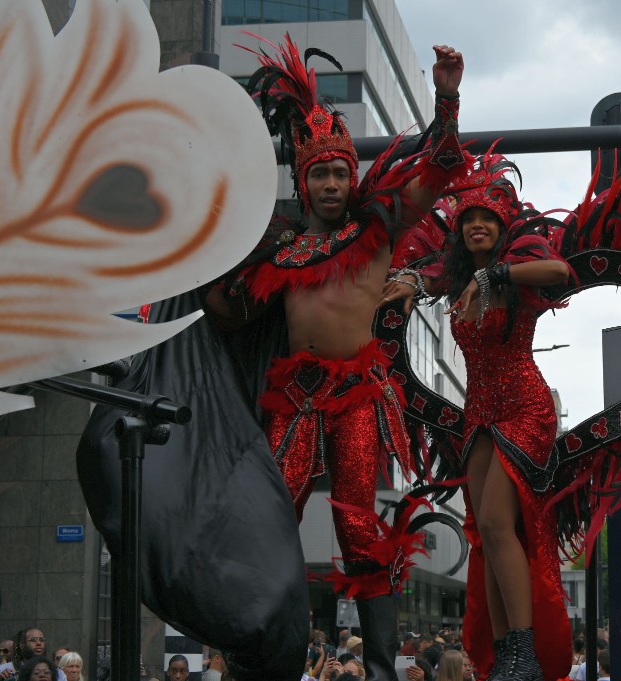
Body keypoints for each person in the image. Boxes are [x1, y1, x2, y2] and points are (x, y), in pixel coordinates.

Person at [204, 34, 468, 681]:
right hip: (293, 398)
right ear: (303, 177)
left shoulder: (378, 226)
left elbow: (439, 165)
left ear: (353, 175)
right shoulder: (283, 249)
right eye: (318, 172)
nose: (329, 182)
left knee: (359, 527)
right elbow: (229, 312)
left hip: (357, 397)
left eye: (338, 171)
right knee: (267, 519)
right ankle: (258, 660)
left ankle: (378, 670)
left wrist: (446, 94)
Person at [382, 150, 573, 681]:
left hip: (525, 408)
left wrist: (501, 277)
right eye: (469, 220)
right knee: (486, 535)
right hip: (480, 415)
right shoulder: (460, 279)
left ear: (503, 226)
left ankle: (525, 653)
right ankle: (508, 651)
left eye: (488, 218)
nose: (478, 226)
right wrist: (415, 284)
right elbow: (431, 280)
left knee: (495, 521)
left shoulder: (516, 275)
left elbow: (562, 270)